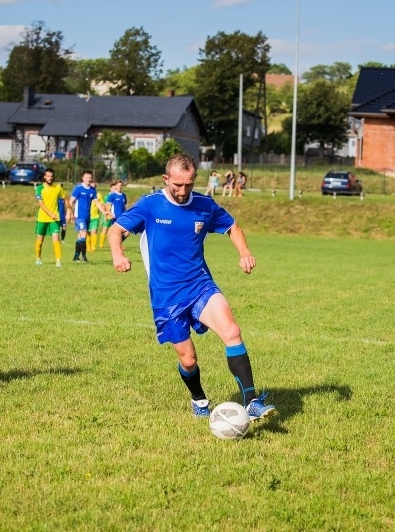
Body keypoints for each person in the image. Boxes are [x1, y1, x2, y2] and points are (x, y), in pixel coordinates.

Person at [107, 153, 275, 421]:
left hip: (200, 285)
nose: (183, 191)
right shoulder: (150, 205)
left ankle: (251, 401)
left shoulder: (204, 205)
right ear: (166, 179)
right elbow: (115, 230)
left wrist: (244, 251)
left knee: (232, 331)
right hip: (167, 295)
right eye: (177, 185)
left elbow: (232, 226)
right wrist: (118, 254)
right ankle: (198, 398)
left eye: (188, 184)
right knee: (189, 360)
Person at [67, 170, 108, 263]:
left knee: (80, 236)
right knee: (84, 234)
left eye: (90, 178)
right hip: (79, 216)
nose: (89, 179)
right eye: (87, 178)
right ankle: (84, 257)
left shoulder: (92, 190)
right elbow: (71, 201)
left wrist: (104, 212)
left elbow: (97, 202)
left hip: (87, 216)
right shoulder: (78, 188)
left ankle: (76, 256)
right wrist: (69, 213)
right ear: (83, 178)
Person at [34, 167, 67, 267]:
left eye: (51, 176)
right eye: (47, 176)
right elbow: (41, 204)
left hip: (54, 219)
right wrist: (50, 214)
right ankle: (38, 258)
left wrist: (70, 211)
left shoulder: (58, 188)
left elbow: (65, 199)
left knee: (56, 239)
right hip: (42, 218)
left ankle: (58, 261)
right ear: (44, 177)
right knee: (40, 240)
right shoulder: (40, 188)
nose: (50, 178)